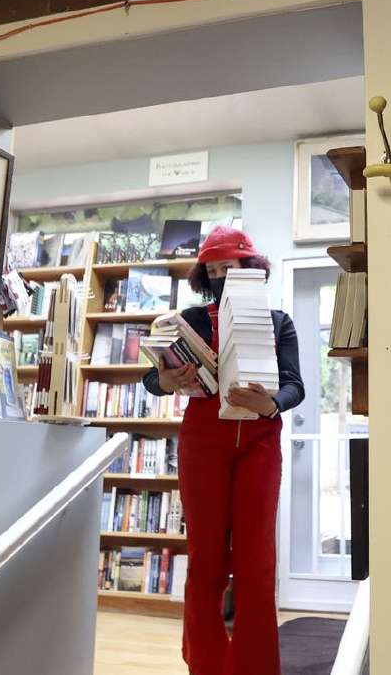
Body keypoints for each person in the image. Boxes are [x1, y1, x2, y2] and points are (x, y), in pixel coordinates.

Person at [142, 226, 304, 675]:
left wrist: (270, 404)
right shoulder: (190, 320)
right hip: (202, 445)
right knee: (206, 561)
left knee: (256, 564)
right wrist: (165, 380)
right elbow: (152, 378)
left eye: (226, 268)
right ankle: (206, 666)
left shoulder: (278, 322)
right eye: (210, 271)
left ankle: (255, 667)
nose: (218, 278)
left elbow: (295, 386)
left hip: (259, 443)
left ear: (249, 269)